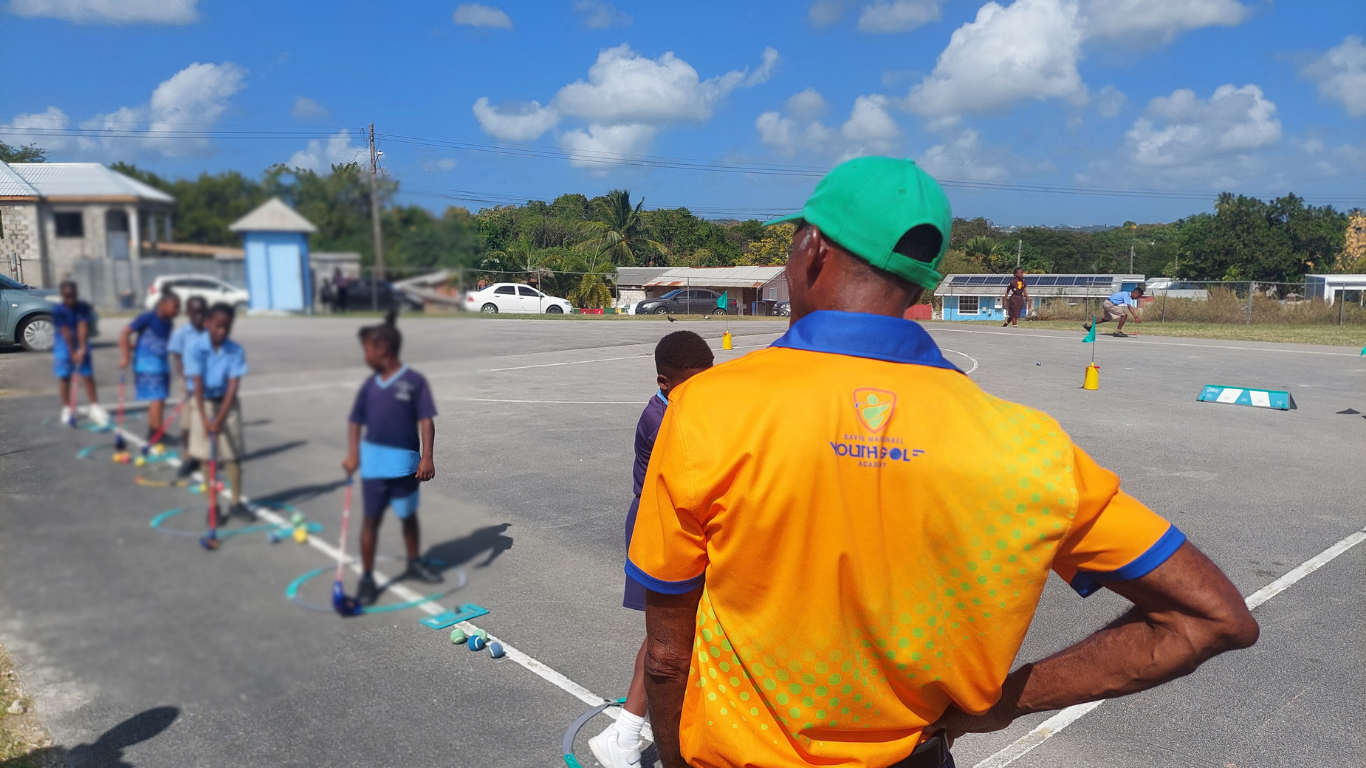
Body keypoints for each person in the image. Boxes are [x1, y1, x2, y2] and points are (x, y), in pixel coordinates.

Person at [628, 157, 1258, 768]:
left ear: (812, 249)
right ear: (921, 279)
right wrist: (1004, 704)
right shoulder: (1029, 446)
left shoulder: (706, 408)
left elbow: (666, 657)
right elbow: (1212, 617)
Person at [590, 331, 715, 768]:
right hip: (659, 527)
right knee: (669, 633)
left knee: (682, 629)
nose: (706, 390)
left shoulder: (682, 407)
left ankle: (629, 730)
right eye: (694, 382)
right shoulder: (661, 419)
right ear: (665, 381)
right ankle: (625, 733)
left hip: (676, 522)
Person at [342, 309, 441, 607]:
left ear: (383, 349)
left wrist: (427, 457)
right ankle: (367, 578)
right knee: (370, 520)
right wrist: (352, 454)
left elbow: (426, 419)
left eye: (368, 350)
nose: (366, 356)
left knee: (408, 516)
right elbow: (355, 421)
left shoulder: (413, 381)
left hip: (405, 466)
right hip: (374, 466)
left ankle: (414, 563)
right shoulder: (369, 386)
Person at [184, 303, 250, 520]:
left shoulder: (236, 350)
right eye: (217, 326)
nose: (222, 331)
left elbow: (233, 386)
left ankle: (236, 503)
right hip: (202, 402)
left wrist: (220, 418)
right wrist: (205, 418)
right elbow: (197, 383)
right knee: (206, 456)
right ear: (207, 323)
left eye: (226, 327)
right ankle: (212, 506)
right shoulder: (194, 348)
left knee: (232, 455)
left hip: (227, 404)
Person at [121, 289, 181, 447]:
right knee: (157, 397)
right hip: (147, 364)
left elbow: (160, 342)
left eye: (178, 307)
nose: (177, 311)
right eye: (175, 307)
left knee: (160, 398)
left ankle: (155, 431)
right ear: (162, 304)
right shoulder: (147, 317)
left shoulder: (169, 323)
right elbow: (125, 333)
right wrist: (126, 356)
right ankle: (155, 432)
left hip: (162, 364)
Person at [52, 280, 105, 426]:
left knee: (87, 375)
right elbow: (65, 332)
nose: (70, 299)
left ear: (76, 294)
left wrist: (82, 348)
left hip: (80, 341)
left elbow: (83, 327)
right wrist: (72, 352)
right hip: (63, 344)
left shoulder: (83, 307)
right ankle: (66, 408)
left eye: (72, 295)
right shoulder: (58, 310)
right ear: (62, 295)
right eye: (67, 296)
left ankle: (94, 407)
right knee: (64, 377)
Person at [169, 295, 209, 477]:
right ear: (188, 313)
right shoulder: (180, 334)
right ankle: (189, 456)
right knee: (187, 425)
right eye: (195, 313)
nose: (200, 317)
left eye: (203, 312)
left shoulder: (211, 332)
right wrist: (185, 377)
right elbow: (177, 358)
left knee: (205, 421)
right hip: (189, 384)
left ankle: (206, 457)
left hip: (208, 384)